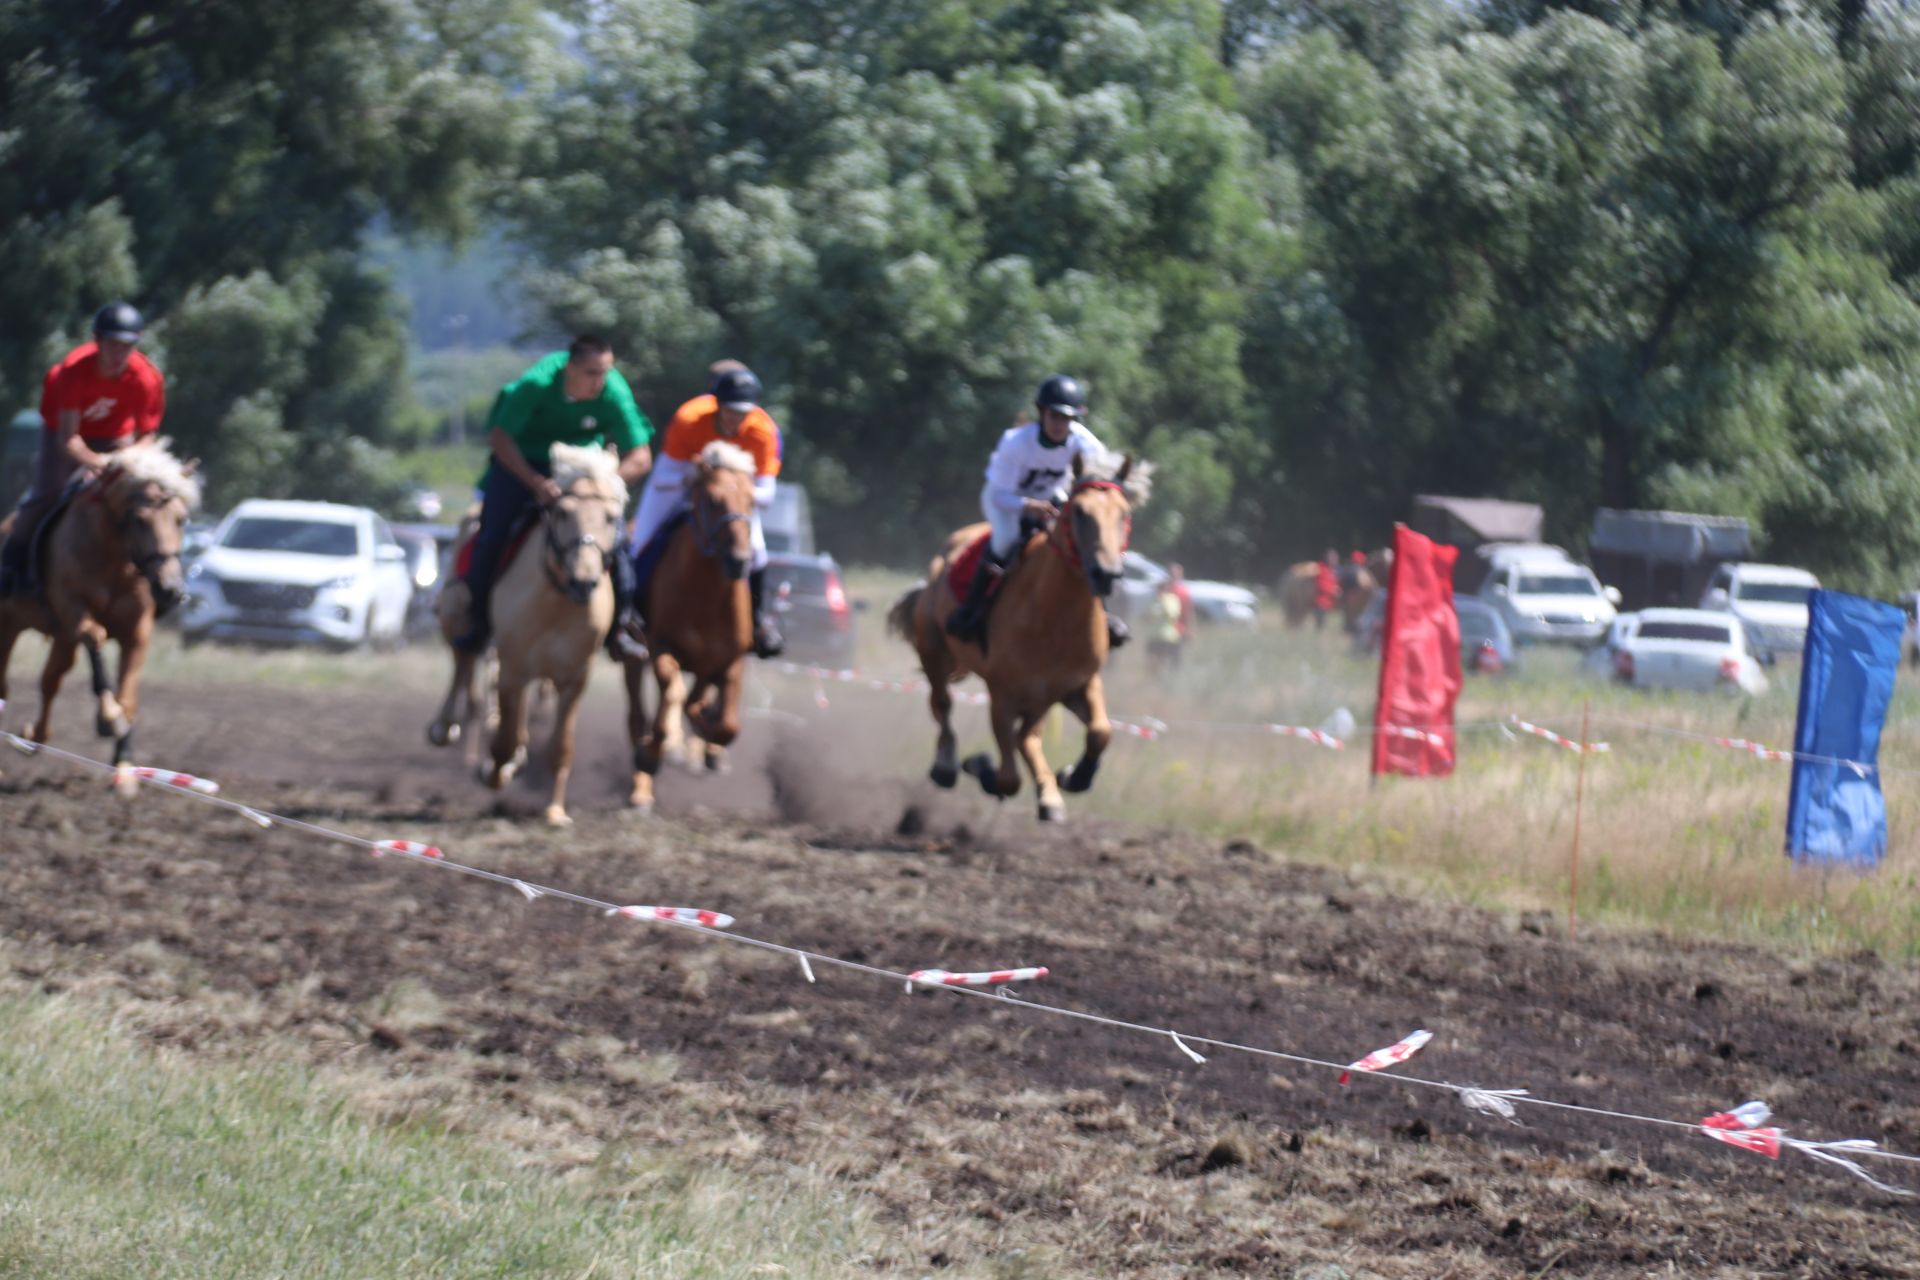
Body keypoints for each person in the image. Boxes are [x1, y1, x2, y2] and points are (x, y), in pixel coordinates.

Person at [451, 336, 653, 653]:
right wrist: (535, 482)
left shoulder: (613, 389)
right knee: (494, 533)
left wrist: (604, 483)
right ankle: (477, 620)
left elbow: (641, 457)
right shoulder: (536, 385)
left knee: (618, 543)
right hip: (524, 463)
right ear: (569, 368)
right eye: (591, 373)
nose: (600, 381)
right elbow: (501, 439)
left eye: (605, 371)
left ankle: (621, 627)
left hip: (584, 467)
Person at [945, 374, 1129, 648]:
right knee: (1006, 539)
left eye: (1066, 419)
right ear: (1042, 412)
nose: (1059, 424)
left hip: (1051, 499)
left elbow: (1096, 485)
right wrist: (1028, 506)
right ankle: (971, 610)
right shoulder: (1016, 443)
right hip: (1005, 500)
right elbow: (1000, 494)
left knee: (1078, 544)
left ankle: (1101, 614)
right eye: (1054, 416)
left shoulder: (1086, 445)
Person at [0, 303, 166, 597]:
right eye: (112, 345)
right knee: (47, 495)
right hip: (67, 438)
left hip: (117, 441)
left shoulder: (146, 378)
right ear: (98, 341)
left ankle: (158, 575)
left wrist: (124, 459)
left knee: (145, 501)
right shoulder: (73, 372)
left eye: (126, 346)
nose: (119, 354)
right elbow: (69, 439)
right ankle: (10, 566)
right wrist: (96, 462)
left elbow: (147, 437)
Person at [620, 364, 785, 659]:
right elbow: (662, 482)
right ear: (717, 404)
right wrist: (692, 478)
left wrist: (737, 491)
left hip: (733, 496)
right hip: (684, 479)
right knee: (639, 540)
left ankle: (759, 623)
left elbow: (767, 495)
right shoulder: (690, 419)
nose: (736, 418)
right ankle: (628, 616)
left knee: (757, 552)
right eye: (730, 410)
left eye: (743, 412)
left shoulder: (763, 432)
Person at [1313, 549, 1340, 631]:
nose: (1334, 560)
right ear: (1327, 558)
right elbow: (1320, 584)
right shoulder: (1321, 568)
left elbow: (1336, 582)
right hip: (1321, 603)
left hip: (1330, 603)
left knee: (1327, 625)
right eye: (1332, 558)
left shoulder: (1334, 570)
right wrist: (1333, 590)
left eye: (1335, 558)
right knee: (1321, 625)